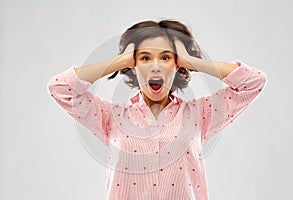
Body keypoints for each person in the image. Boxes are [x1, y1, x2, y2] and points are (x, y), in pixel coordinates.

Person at [47, 19, 267, 200]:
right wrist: (121, 60)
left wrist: (193, 61)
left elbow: (253, 82)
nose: (155, 65)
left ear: (177, 64)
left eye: (165, 57)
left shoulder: (201, 114)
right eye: (145, 58)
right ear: (134, 65)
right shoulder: (111, 117)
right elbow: (60, 88)